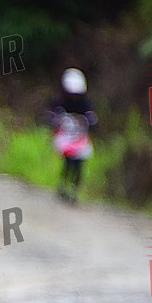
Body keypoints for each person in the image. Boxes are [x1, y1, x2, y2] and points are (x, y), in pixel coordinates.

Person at [46, 68, 97, 203]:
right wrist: (56, 120)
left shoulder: (85, 104)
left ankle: (74, 190)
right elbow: (50, 116)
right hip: (65, 139)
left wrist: (90, 121)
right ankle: (63, 186)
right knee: (67, 163)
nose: (74, 97)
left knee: (79, 165)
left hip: (80, 140)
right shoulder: (59, 102)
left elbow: (92, 119)